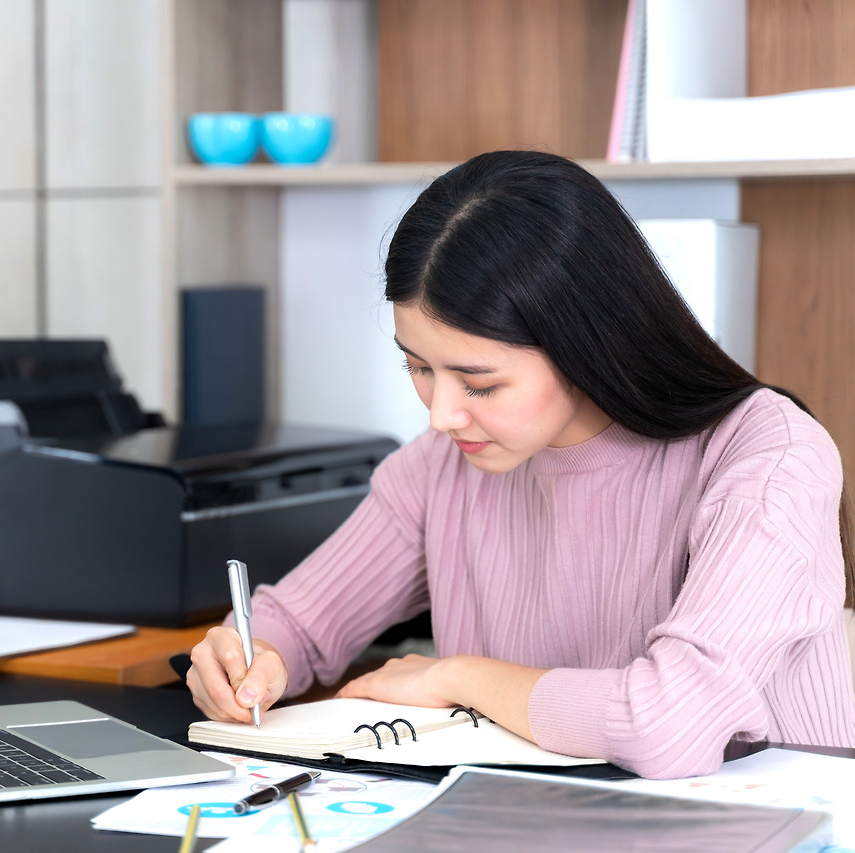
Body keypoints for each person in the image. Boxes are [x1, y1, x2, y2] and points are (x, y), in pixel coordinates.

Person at [185, 150, 855, 780]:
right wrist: (251, 654)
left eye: (478, 382)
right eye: (418, 366)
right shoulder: (443, 465)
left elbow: (668, 721)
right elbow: (301, 622)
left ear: (586, 344)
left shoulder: (769, 459)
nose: (440, 414)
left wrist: (456, 677)